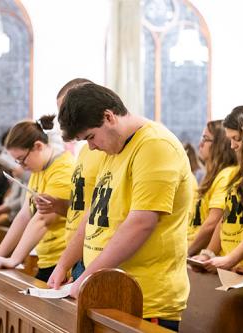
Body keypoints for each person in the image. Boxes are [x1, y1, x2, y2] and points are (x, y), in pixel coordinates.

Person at [51, 83, 192, 331]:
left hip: (144, 298)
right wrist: (64, 264)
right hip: (108, 291)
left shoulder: (155, 146)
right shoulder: (114, 149)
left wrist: (87, 278)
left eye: (90, 137)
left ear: (109, 117)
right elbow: (93, 216)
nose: (91, 147)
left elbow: (141, 223)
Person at [0, 115, 74, 282]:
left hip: (62, 259)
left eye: (22, 159)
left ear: (38, 146)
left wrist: (14, 259)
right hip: (47, 258)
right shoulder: (40, 169)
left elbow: (43, 219)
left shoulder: (63, 170)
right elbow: (24, 215)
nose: (21, 166)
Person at [192, 106, 243, 276]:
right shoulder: (238, 172)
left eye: (236, 138)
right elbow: (225, 219)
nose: (232, 145)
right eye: (230, 139)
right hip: (228, 265)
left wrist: (232, 258)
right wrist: (208, 253)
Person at [35, 78, 105, 280]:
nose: (63, 118)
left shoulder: (105, 148)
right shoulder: (85, 150)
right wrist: (58, 205)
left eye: (67, 109)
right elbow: (81, 206)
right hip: (75, 251)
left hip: (92, 253)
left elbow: (103, 210)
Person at [187, 120, 237, 257]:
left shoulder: (226, 175)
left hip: (203, 256)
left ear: (220, 145)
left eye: (205, 139)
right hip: (195, 252)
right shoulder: (210, 176)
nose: (200, 144)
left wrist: (187, 254)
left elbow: (213, 222)